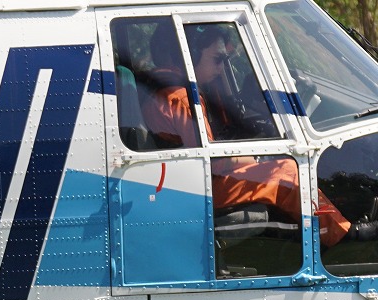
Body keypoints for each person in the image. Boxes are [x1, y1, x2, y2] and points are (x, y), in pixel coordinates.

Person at [141, 25, 373, 247]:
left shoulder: (165, 88)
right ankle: (344, 234)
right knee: (288, 173)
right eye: (217, 60)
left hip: (187, 183)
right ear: (189, 56)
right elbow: (212, 163)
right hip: (196, 189)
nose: (221, 69)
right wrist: (260, 158)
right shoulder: (182, 98)